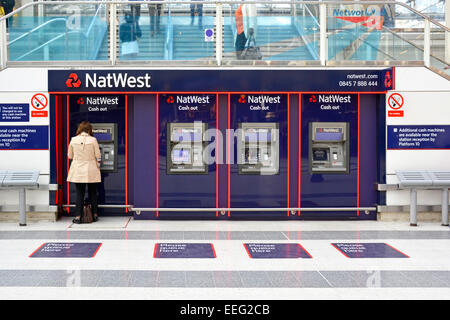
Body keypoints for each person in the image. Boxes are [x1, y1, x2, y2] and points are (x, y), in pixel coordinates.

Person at [67, 121, 101, 224]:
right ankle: (95, 215)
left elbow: (70, 156)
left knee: (79, 194)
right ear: (89, 129)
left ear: (80, 129)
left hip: (78, 169)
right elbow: (98, 155)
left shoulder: (73, 139)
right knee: (93, 193)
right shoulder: (93, 140)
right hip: (91, 168)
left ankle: (78, 217)